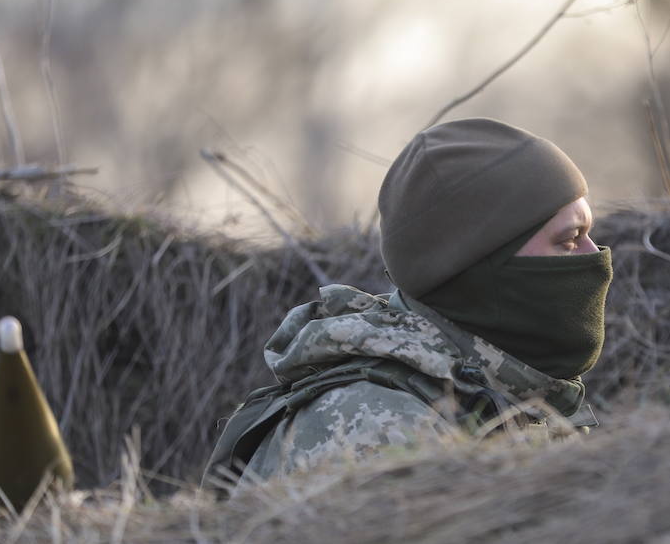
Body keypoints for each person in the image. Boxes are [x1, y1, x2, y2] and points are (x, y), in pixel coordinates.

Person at [210, 117, 612, 486]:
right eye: (569, 239)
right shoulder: (372, 427)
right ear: (482, 266)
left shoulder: (507, 397)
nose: (594, 255)